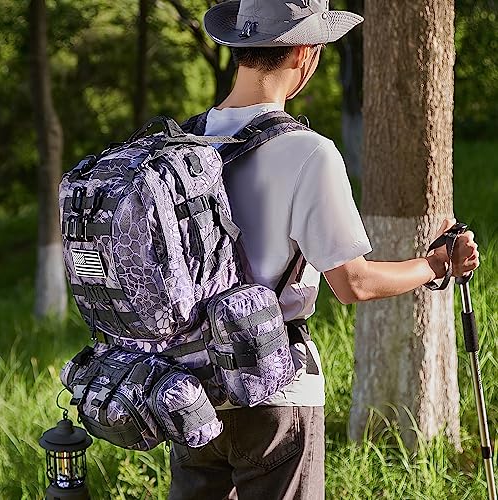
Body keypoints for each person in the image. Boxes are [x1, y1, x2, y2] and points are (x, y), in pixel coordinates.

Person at [169, 1, 480, 499]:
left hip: (189, 390)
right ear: (304, 54)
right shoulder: (308, 151)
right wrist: (436, 264)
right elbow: (353, 283)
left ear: (240, 47)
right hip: (275, 389)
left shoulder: (182, 143)